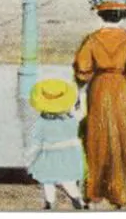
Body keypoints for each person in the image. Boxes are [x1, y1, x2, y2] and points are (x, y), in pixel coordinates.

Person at [73, 0, 126, 209]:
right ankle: (123, 190)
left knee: (97, 136)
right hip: (120, 91)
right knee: (123, 135)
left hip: (98, 90)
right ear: (124, 13)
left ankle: (95, 190)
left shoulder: (92, 39)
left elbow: (82, 70)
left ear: (99, 12)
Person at [27, 78, 89, 211]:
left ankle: (49, 202)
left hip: (48, 154)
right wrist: (82, 96)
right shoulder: (71, 119)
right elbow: (82, 114)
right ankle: (77, 199)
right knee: (68, 180)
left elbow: (36, 139)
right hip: (69, 153)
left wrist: (31, 155)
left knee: (47, 180)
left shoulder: (41, 122)